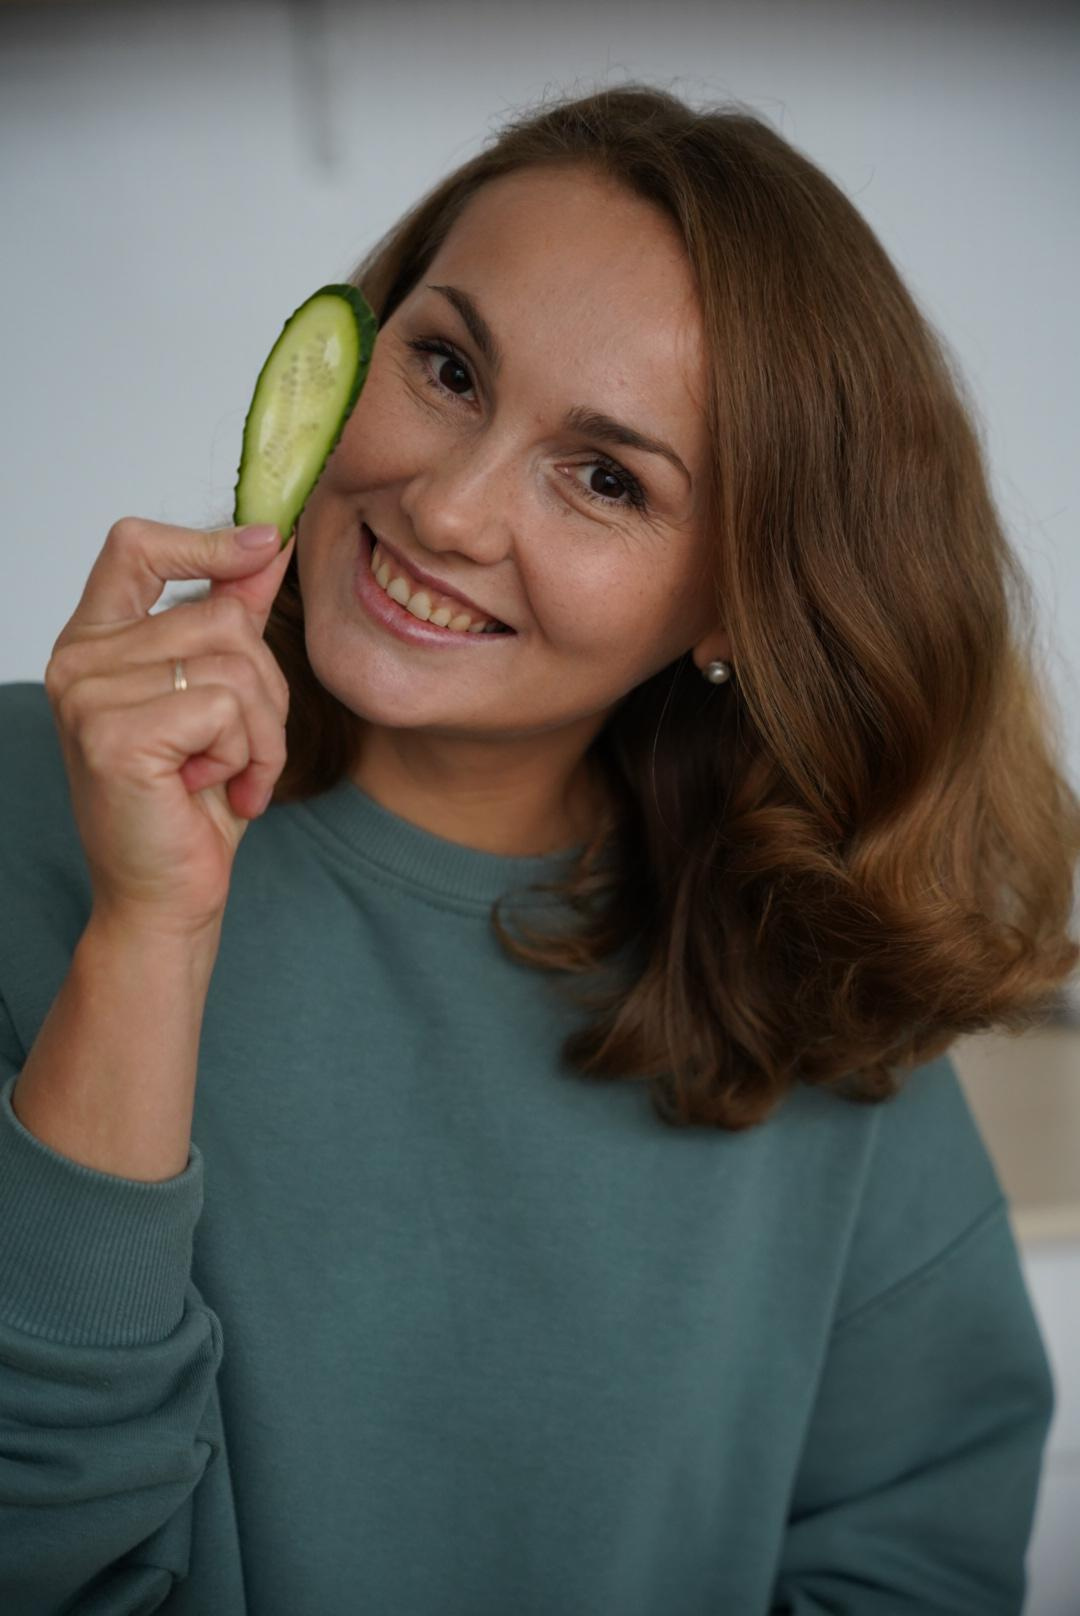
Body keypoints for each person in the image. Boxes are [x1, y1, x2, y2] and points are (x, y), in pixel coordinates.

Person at [0, 82, 1075, 1616]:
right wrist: (142, 938)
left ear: (737, 605)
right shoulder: (25, 802)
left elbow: (918, 1561)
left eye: (607, 477)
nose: (446, 510)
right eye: (447, 368)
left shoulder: (805, 973)